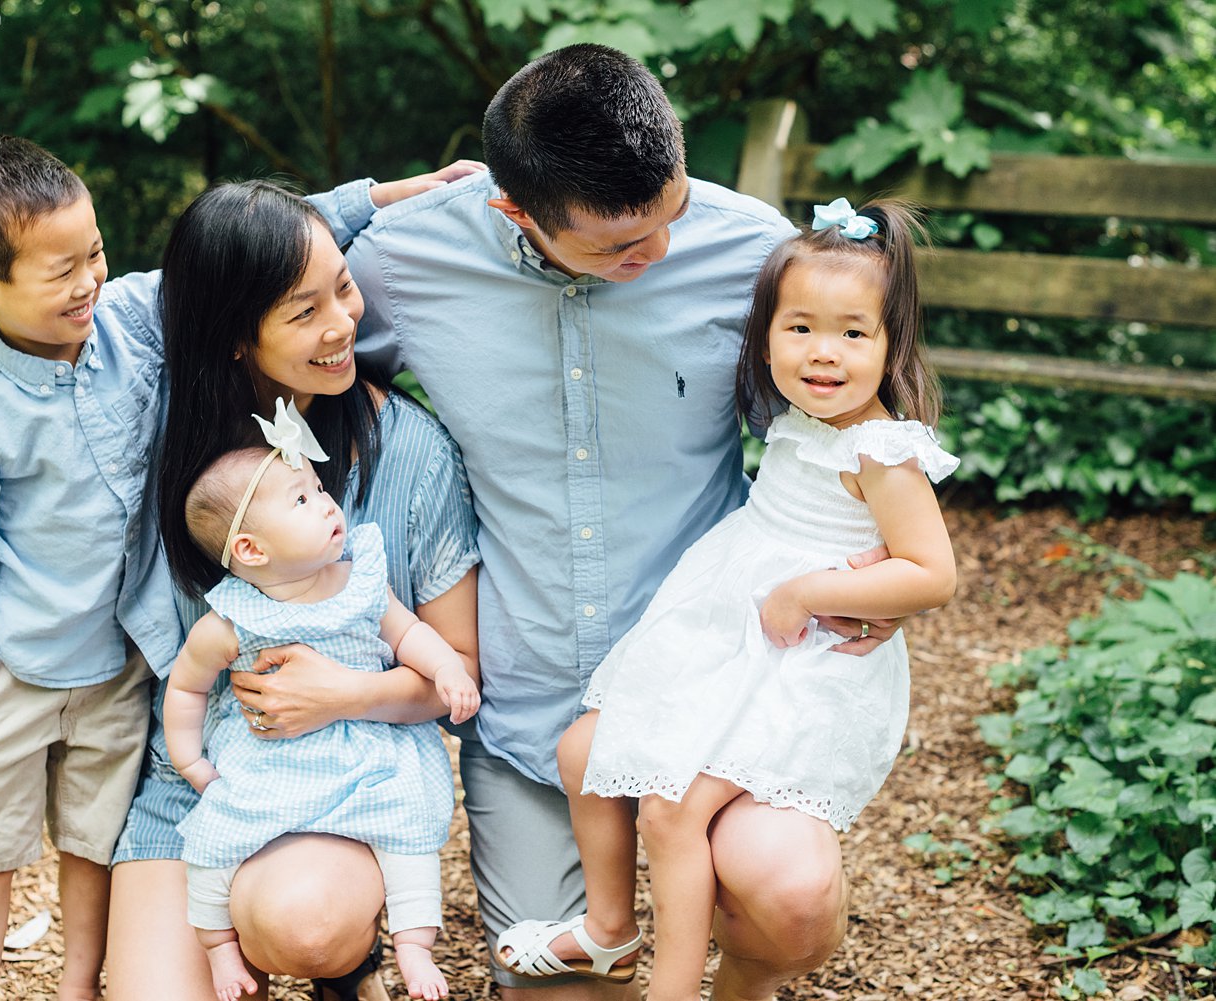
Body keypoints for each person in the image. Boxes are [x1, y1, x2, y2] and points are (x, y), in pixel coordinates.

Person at [344, 43, 910, 1001]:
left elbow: (848, 435)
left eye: (668, 214)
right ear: (513, 209)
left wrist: (882, 573)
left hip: (720, 680)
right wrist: (355, 200)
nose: (654, 255)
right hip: (535, 706)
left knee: (794, 903)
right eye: (618, 248)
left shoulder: (751, 251)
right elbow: (221, 302)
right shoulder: (402, 261)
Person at [0, 174, 484, 1001]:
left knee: (304, 921)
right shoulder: (155, 420)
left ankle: (344, 961)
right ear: (233, 334)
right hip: (194, 779)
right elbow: (30, 506)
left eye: (343, 290)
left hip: (348, 772)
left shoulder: (410, 452)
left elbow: (457, 667)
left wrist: (343, 694)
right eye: (303, 310)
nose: (343, 324)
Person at [496, 198, 959, 1001]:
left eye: (854, 333)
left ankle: (675, 989)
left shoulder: (881, 449)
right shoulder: (799, 416)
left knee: (670, 808)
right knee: (583, 751)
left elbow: (932, 572)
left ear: (891, 345)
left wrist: (814, 588)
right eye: (800, 328)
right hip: (728, 625)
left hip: (797, 662)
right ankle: (609, 931)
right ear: (767, 334)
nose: (824, 353)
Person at [0, 134, 168, 1001]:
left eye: (93, 252)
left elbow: (245, 247)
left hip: (117, 662)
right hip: (9, 671)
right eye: (59, 270)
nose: (89, 279)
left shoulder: (129, 322)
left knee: (92, 840)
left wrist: (381, 197)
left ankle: (77, 983)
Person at [166, 407, 479, 1001]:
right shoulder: (231, 620)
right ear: (252, 550)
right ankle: (221, 950)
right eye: (303, 501)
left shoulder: (360, 580)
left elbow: (409, 634)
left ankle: (414, 948)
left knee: (405, 825)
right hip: (268, 763)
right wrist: (190, 762)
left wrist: (446, 671)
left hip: (368, 752)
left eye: (318, 488)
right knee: (216, 834)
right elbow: (187, 688)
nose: (328, 503)